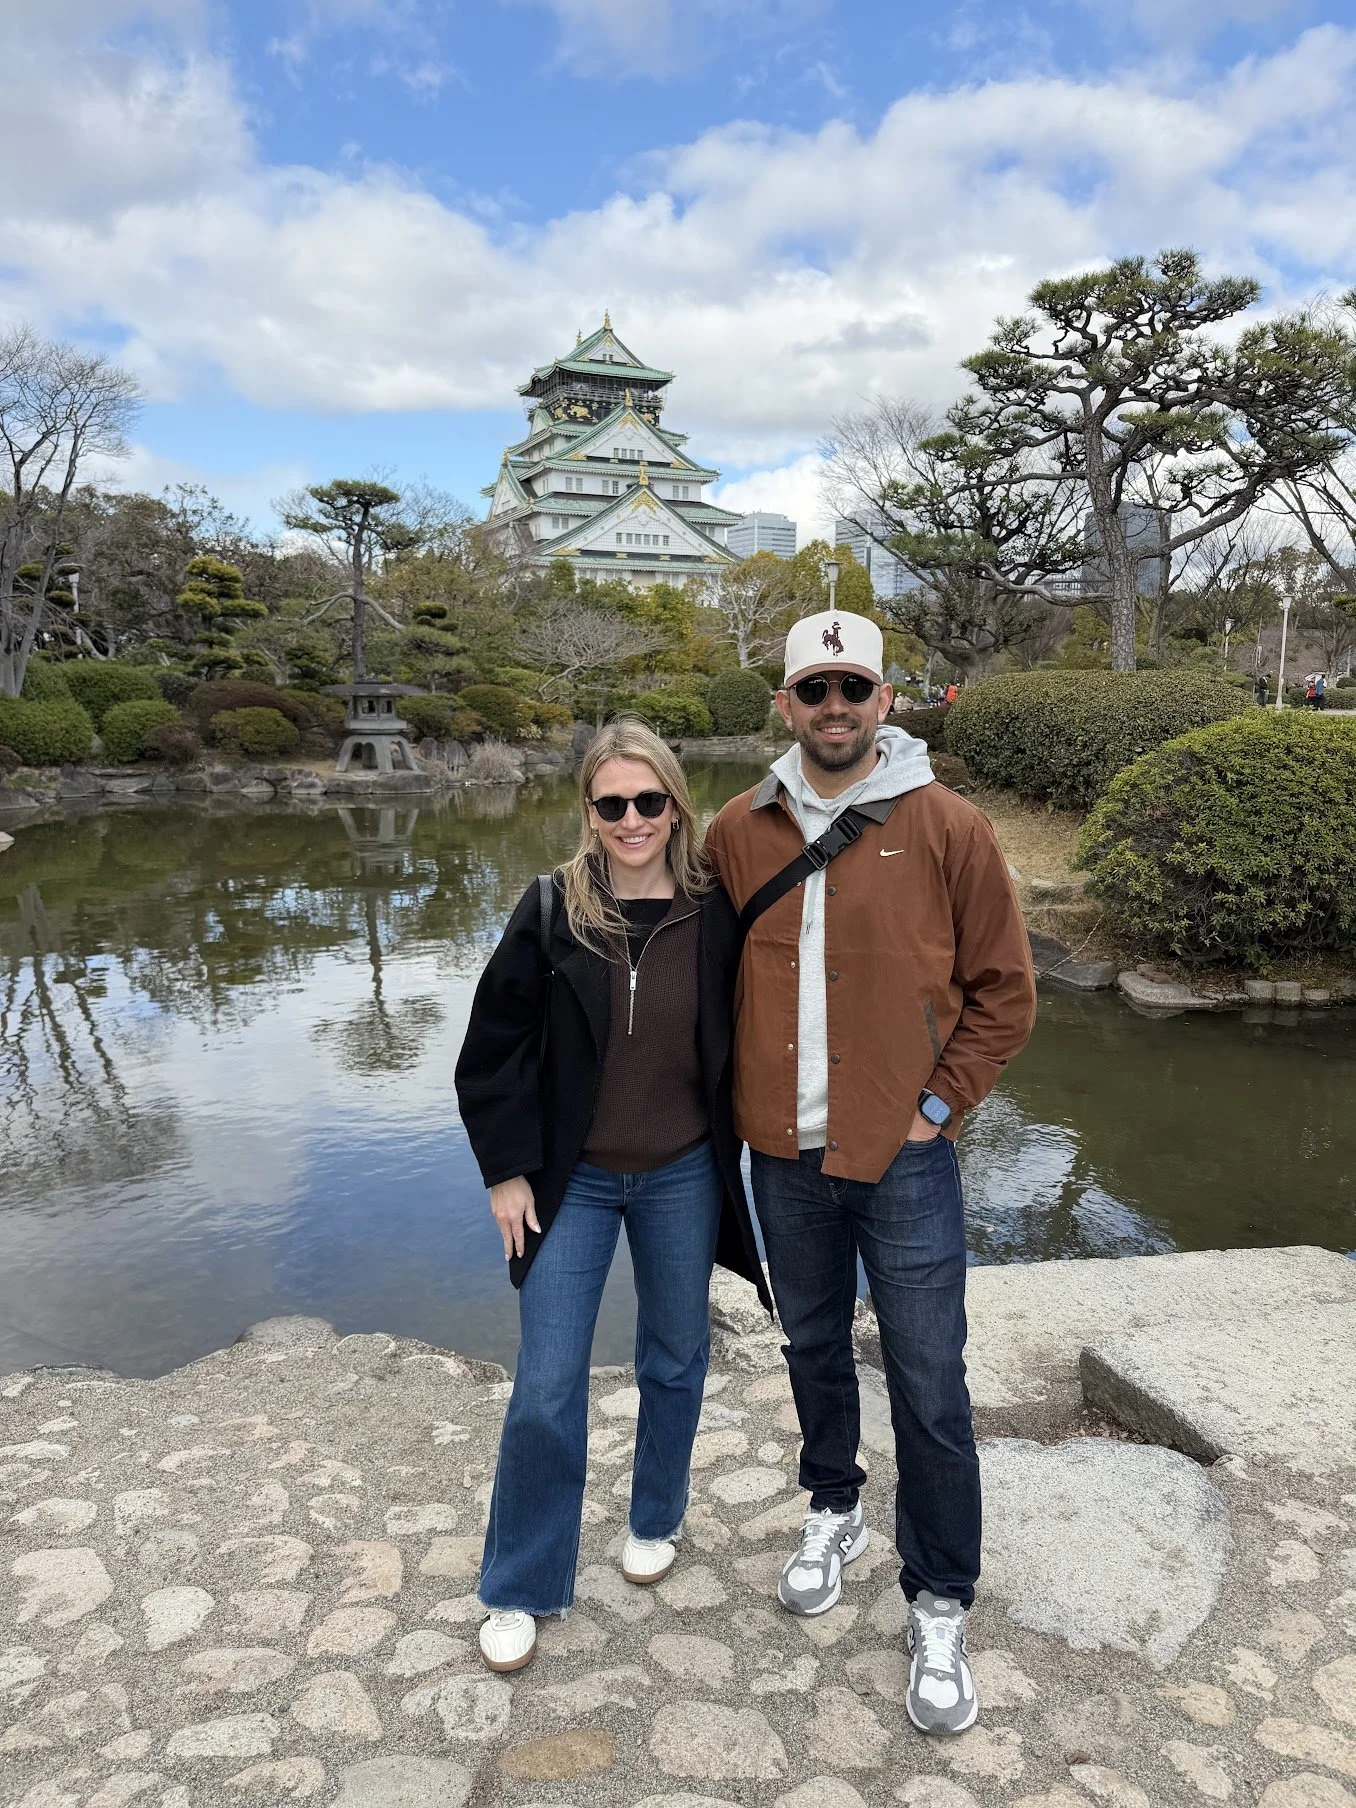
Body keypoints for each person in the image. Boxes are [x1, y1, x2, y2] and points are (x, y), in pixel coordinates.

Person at [705, 610, 1036, 1738]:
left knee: (931, 1377)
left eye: (855, 687)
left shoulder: (951, 827)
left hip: (902, 1157)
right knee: (807, 1341)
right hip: (779, 1150)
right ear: (786, 703)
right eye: (815, 689)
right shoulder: (736, 831)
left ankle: (939, 1594)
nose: (835, 707)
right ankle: (834, 1504)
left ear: (886, 698)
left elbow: (1005, 992)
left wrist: (938, 1107)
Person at [455, 719, 769, 1675]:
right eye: (611, 804)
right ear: (588, 813)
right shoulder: (551, 909)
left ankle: (655, 1516)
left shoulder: (716, 913)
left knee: (676, 1355)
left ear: (678, 805)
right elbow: (492, 1047)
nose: (632, 820)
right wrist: (506, 1170)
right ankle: (520, 1582)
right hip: (574, 1181)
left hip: (680, 1170)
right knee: (547, 1383)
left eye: (650, 801)